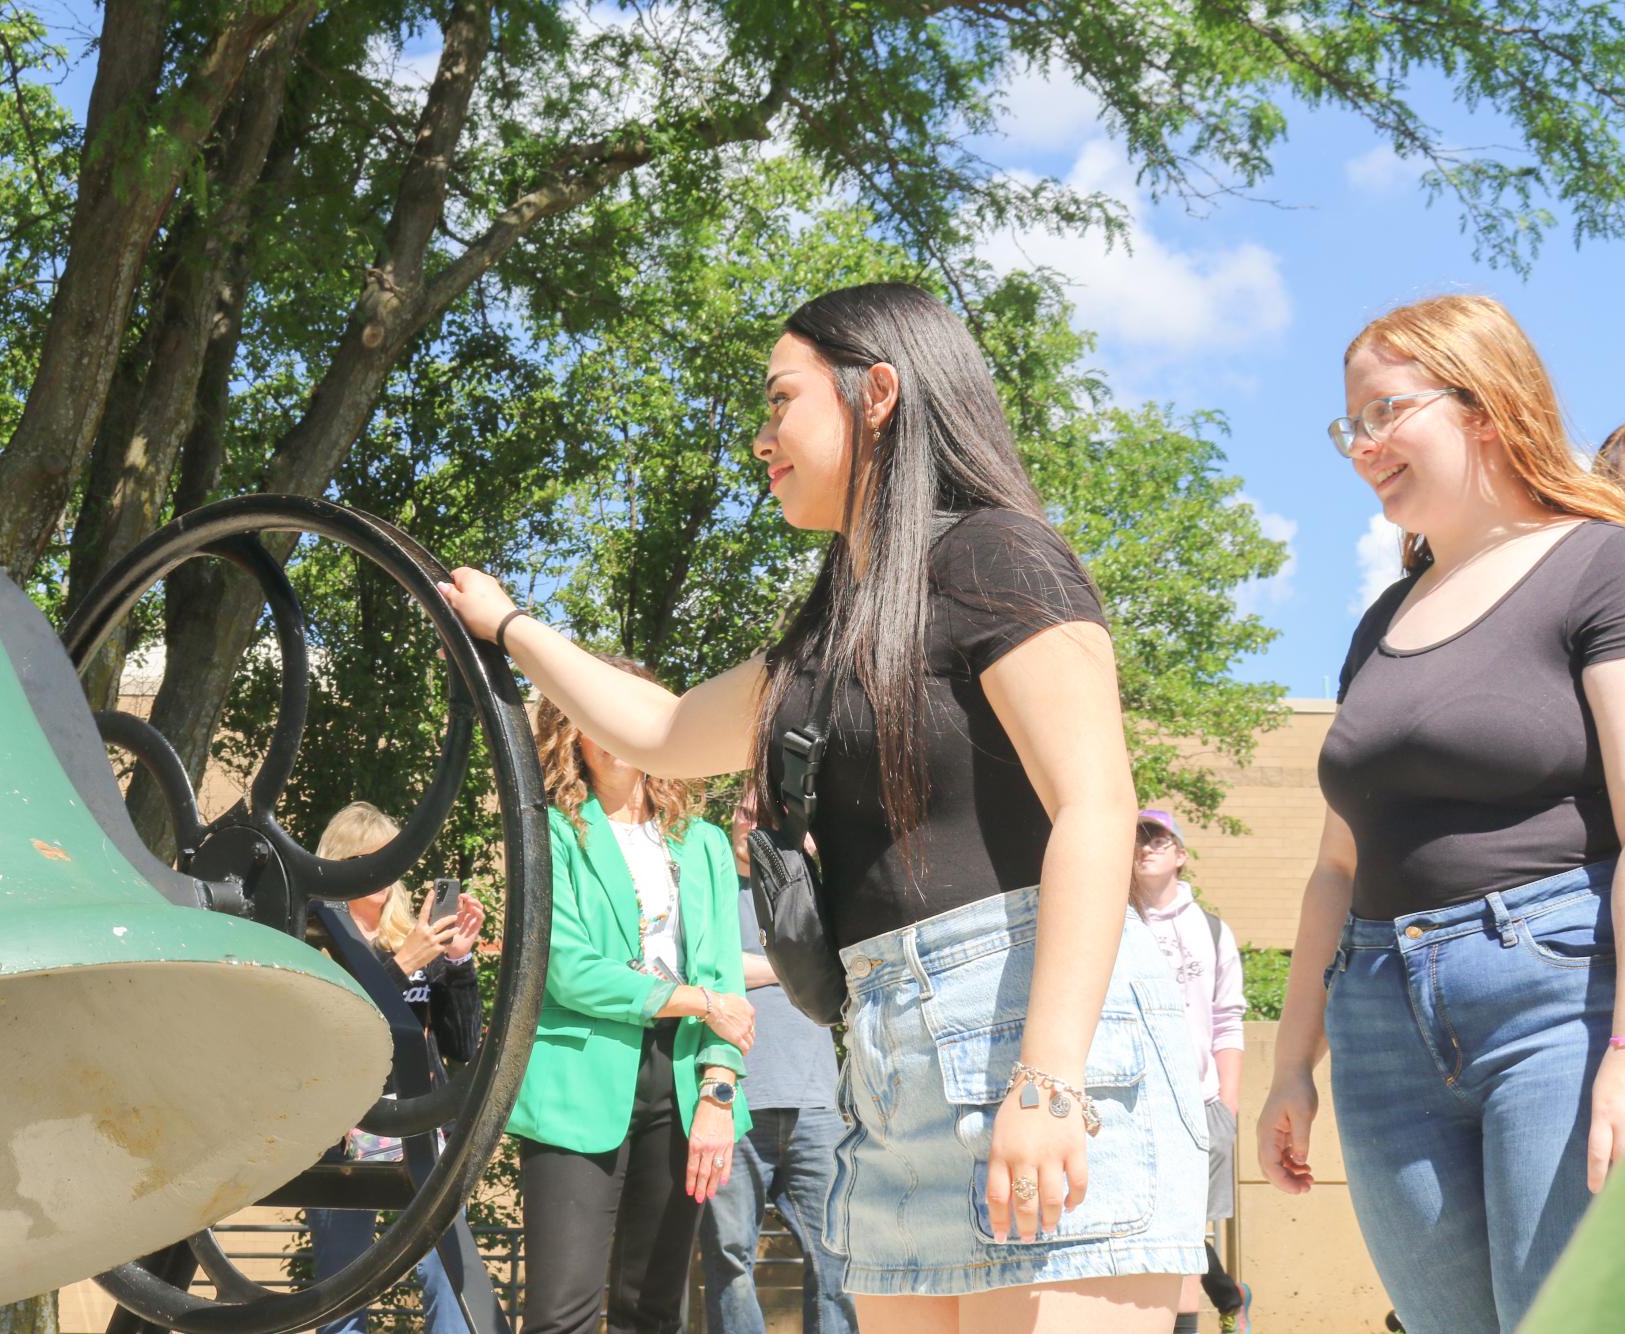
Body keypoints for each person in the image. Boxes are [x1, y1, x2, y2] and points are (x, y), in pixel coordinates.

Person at [443, 282, 1207, 1334]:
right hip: (893, 1063)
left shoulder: (996, 555)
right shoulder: (831, 630)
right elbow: (660, 729)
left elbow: (1096, 805)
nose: (761, 438)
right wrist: (511, 623)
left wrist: (1049, 1080)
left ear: (878, 391)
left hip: (1031, 1031)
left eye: (779, 401)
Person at [1255, 294, 1625, 1333]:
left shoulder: (1599, 565)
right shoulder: (1382, 617)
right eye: (1350, 426)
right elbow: (1336, 865)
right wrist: (1293, 1062)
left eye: (1384, 413)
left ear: (1483, 407)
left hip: (1556, 996)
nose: (1363, 446)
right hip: (1378, 1011)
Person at [500, 655, 757, 1334]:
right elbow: (567, 972)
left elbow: (727, 976)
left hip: (684, 1082)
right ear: (570, 732)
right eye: (597, 716)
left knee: (656, 1309)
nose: (616, 732)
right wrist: (697, 1002)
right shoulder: (550, 834)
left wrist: (718, 1093)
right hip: (576, 1081)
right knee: (560, 1313)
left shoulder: (701, 843)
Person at [304, 801, 485, 1334]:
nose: (382, 869)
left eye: (389, 857)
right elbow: (328, 1031)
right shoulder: (314, 939)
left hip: (421, 1129)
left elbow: (462, 1043)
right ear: (340, 863)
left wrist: (456, 962)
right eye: (367, 857)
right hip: (341, 1134)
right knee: (342, 1287)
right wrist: (400, 964)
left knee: (446, 1279)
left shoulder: (417, 935)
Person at [698, 787, 858, 1334]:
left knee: (837, 1258)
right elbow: (697, 974)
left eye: (770, 817)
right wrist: (789, 964)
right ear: (732, 819)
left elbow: (840, 965)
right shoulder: (708, 887)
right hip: (732, 1103)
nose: (756, 824)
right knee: (728, 1259)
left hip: (817, 1103)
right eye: (748, 813)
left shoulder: (807, 893)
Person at [1130, 810, 1252, 1334]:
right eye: (1136, 839)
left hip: (1200, 1107)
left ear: (1181, 854)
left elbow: (1228, 1020)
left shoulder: (1212, 930)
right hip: (1131, 1106)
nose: (1146, 847)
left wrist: (1227, 1107)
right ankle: (1228, 1294)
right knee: (1153, 1236)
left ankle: (1216, 1304)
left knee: (1181, 1238)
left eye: (1159, 838)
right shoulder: (1114, 923)